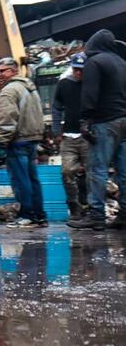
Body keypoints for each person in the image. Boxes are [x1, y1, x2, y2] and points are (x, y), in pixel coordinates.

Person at [70, 30, 126, 231]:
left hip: (105, 121)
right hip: (124, 120)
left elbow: (90, 93)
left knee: (97, 169)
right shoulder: (121, 62)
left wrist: (85, 118)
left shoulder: (94, 62)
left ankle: (96, 216)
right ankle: (124, 215)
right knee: (124, 171)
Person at [0, 56, 47, 229]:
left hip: (17, 142)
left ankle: (27, 215)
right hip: (32, 139)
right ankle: (39, 215)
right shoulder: (30, 87)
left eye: (3, 70)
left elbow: (6, 119)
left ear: (14, 70)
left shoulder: (10, 91)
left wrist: (2, 143)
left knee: (20, 180)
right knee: (33, 179)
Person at [52, 53, 88, 219]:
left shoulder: (91, 85)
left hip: (88, 136)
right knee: (67, 172)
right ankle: (74, 206)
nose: (78, 73)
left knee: (92, 173)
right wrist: (56, 129)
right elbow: (57, 107)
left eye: (81, 70)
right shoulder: (64, 84)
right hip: (69, 135)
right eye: (76, 69)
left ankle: (90, 207)